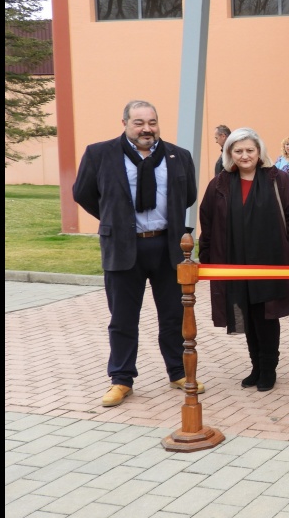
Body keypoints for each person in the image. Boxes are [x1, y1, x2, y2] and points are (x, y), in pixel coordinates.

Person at [72, 99, 199, 408]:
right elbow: (83, 193)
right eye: (139, 122)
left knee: (172, 315)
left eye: (152, 122)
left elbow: (189, 195)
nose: (146, 128)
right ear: (125, 123)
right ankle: (121, 379)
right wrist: (113, 217)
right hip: (123, 247)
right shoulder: (100, 154)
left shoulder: (178, 156)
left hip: (166, 247)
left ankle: (178, 373)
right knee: (123, 319)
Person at [197, 128, 289, 391]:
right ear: (229, 154)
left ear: (259, 152)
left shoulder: (277, 180)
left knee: (266, 316)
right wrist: (207, 258)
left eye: (250, 150)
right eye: (238, 151)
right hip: (234, 263)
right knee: (244, 315)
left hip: (270, 262)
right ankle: (255, 366)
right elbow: (208, 223)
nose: (244, 155)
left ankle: (268, 369)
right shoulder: (220, 185)